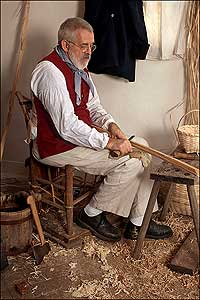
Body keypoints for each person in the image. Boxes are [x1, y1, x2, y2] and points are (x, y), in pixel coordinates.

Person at [30, 17, 173, 242]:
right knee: (133, 162)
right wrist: (108, 143)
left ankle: (138, 221)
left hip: (77, 139)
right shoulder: (50, 72)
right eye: (84, 45)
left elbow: (93, 107)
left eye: (91, 46)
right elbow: (66, 126)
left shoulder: (78, 68)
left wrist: (111, 126)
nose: (89, 51)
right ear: (66, 45)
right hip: (56, 146)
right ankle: (91, 213)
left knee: (143, 146)